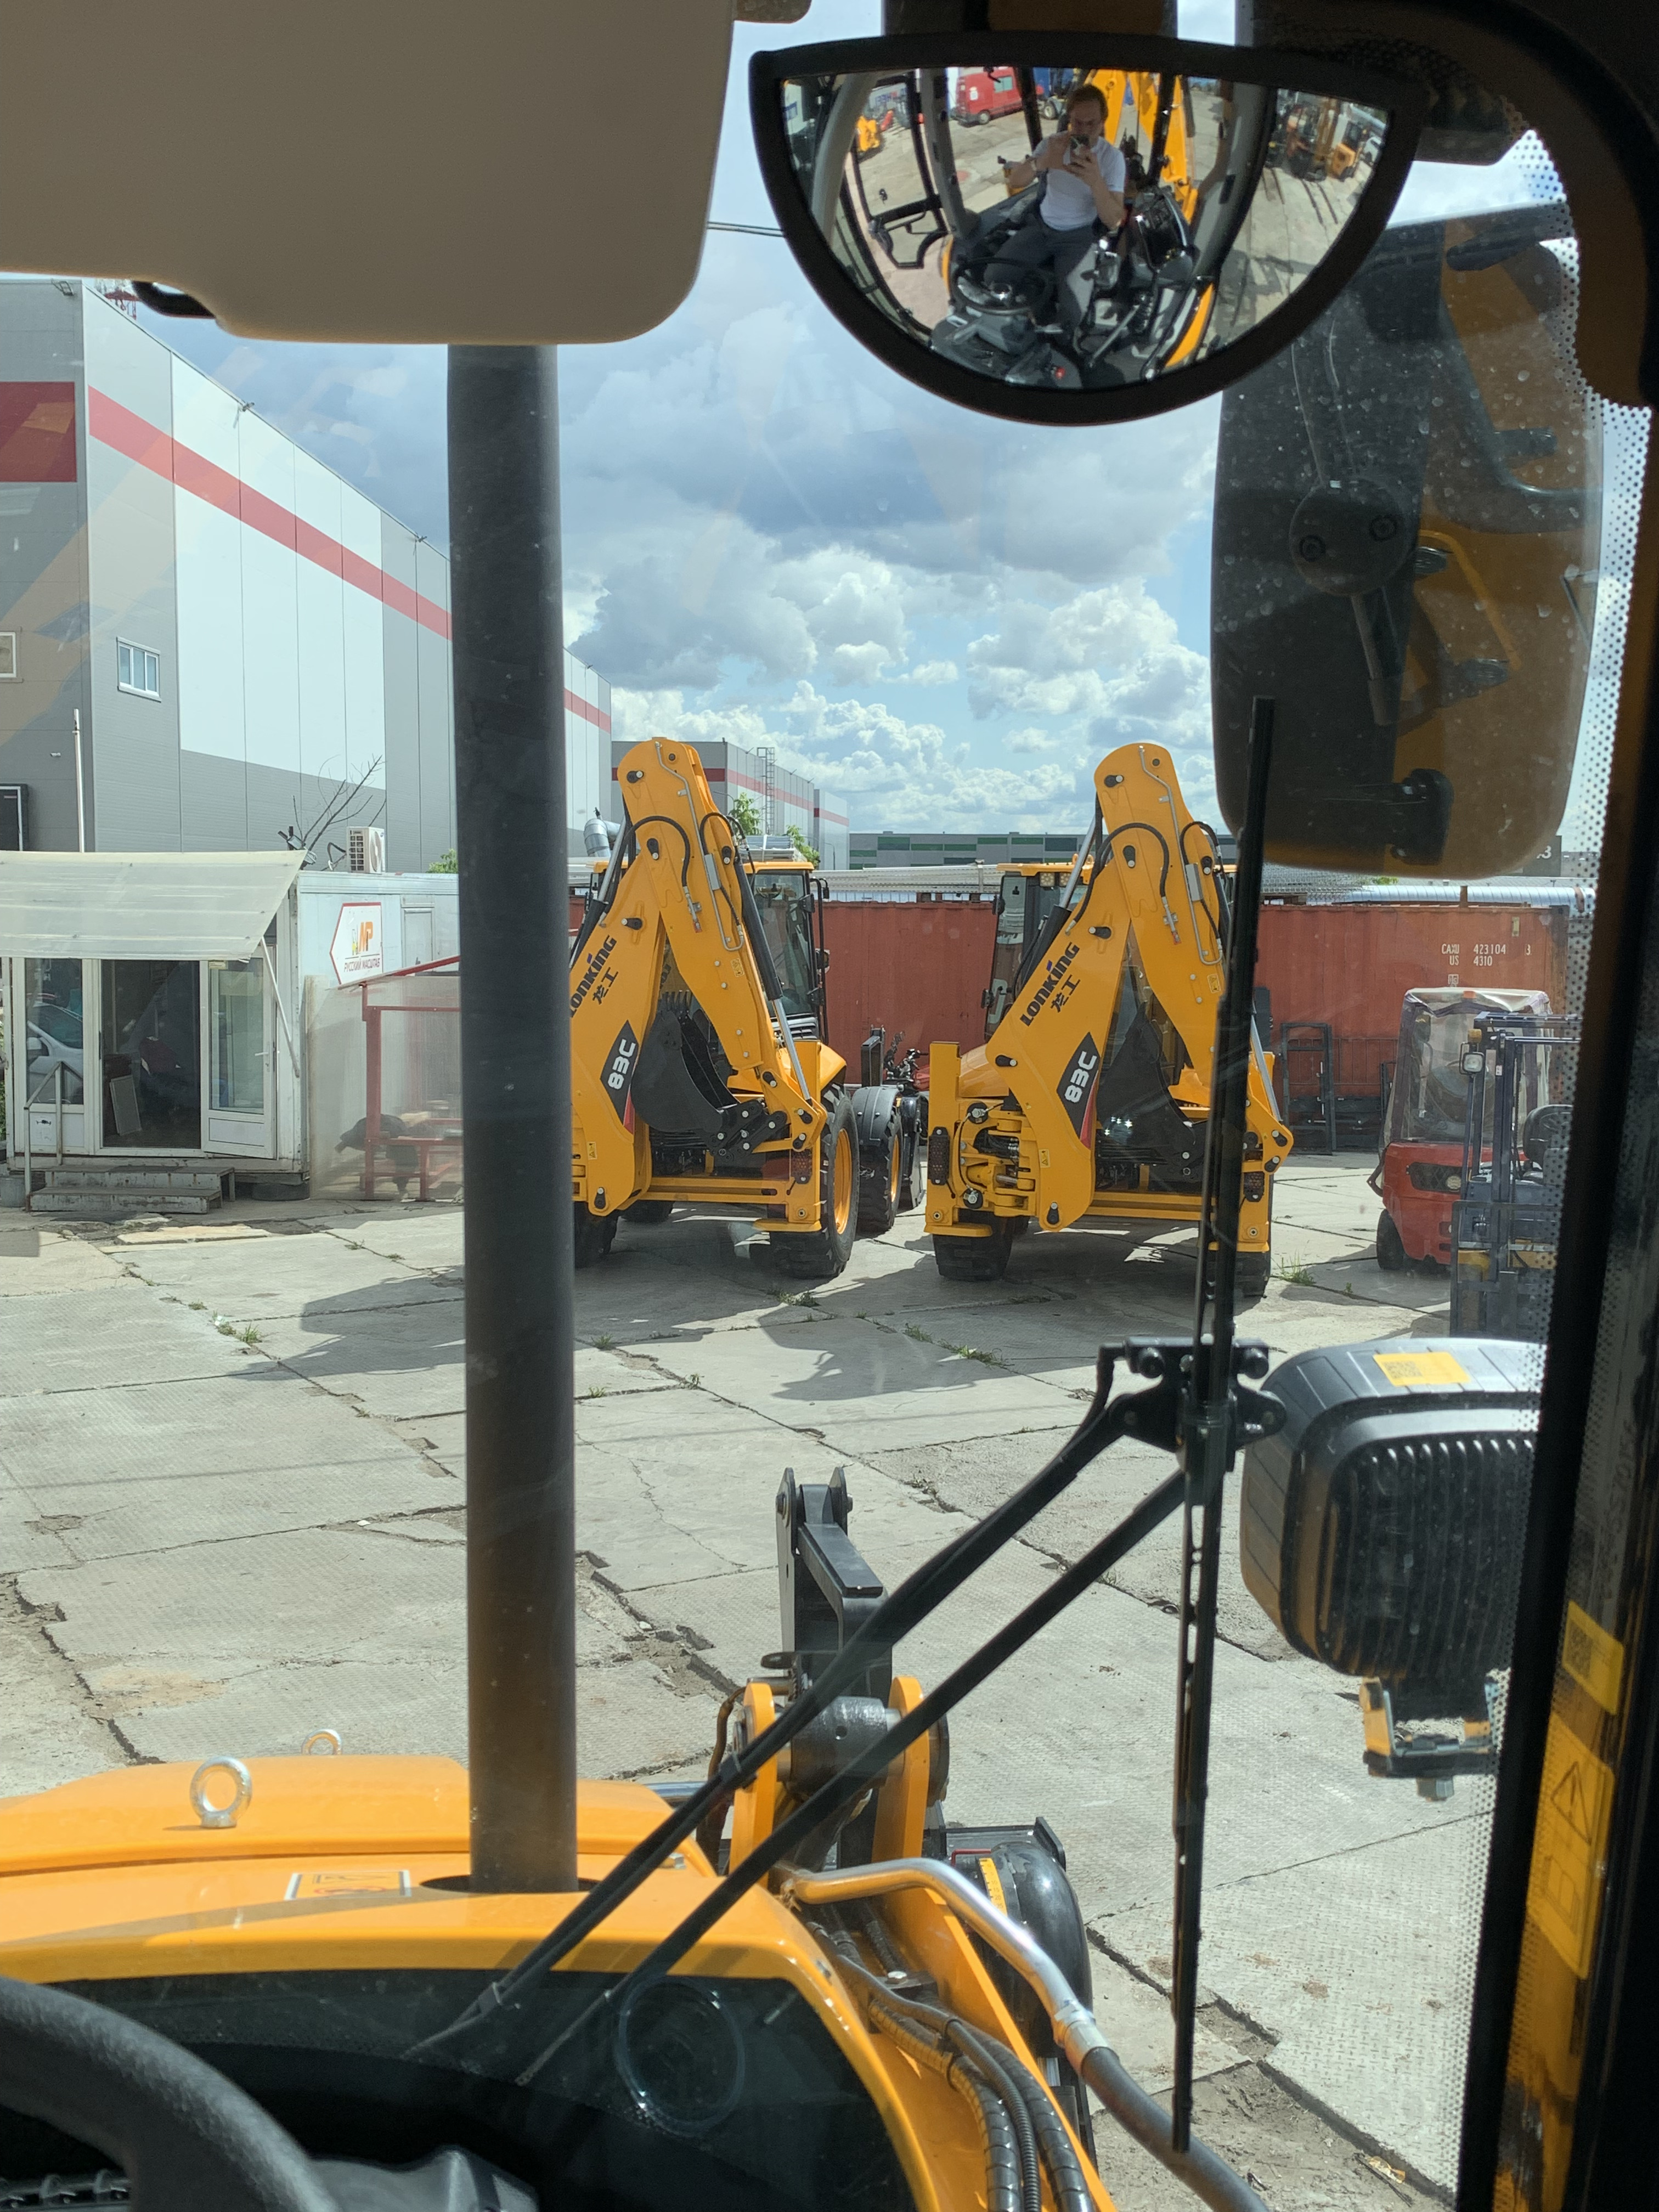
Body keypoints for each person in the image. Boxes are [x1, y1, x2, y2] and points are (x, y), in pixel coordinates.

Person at [986, 82, 1127, 332]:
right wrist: (1043, 162)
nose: (1084, 131)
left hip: (1078, 237)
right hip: (1042, 226)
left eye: (1092, 124)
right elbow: (1015, 181)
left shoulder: (1112, 158)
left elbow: (1114, 220)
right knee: (994, 275)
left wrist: (1096, 181)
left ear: (1103, 122)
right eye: (1078, 123)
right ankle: (1023, 309)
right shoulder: (1053, 145)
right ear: (1069, 120)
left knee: (1075, 313)